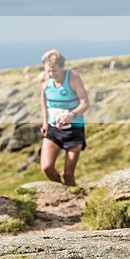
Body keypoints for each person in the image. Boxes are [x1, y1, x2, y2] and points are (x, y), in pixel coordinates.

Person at [39, 49, 89, 186]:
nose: (51, 74)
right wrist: (45, 122)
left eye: (54, 71)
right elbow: (43, 99)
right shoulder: (43, 78)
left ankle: (73, 200)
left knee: (68, 174)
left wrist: (72, 115)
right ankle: (62, 191)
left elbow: (85, 103)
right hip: (53, 128)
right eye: (48, 70)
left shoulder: (73, 77)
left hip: (74, 128)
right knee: (46, 168)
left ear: (62, 67)